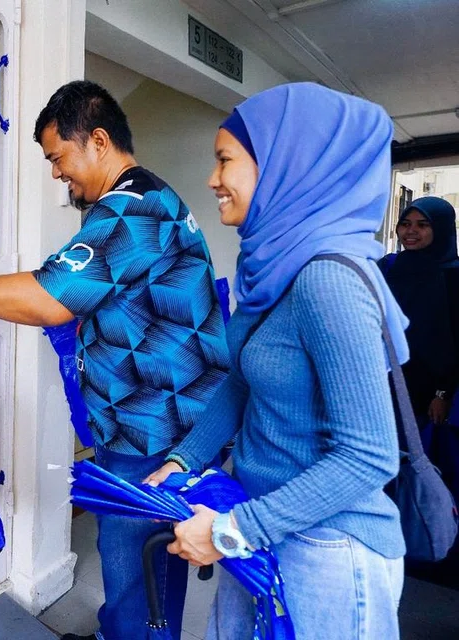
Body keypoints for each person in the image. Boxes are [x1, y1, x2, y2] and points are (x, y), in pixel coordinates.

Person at [0, 80, 230, 640]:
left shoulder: (129, 212)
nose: (57, 173)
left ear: (97, 141)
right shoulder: (147, 200)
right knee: (147, 563)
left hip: (151, 433)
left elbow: (48, 299)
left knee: (136, 573)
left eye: (58, 158)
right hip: (160, 422)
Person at [146, 83, 408, 639]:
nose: (213, 180)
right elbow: (242, 383)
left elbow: (370, 457)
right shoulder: (269, 270)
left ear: (289, 166)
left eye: (224, 161)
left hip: (328, 548)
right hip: (265, 526)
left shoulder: (327, 280)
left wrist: (231, 532)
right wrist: (183, 461)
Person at [378, 197, 459, 426]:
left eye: (422, 225)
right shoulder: (388, 267)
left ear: (440, 228)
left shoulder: (453, 275)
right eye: (405, 223)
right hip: (387, 378)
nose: (411, 231)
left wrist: (444, 393)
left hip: (432, 389)